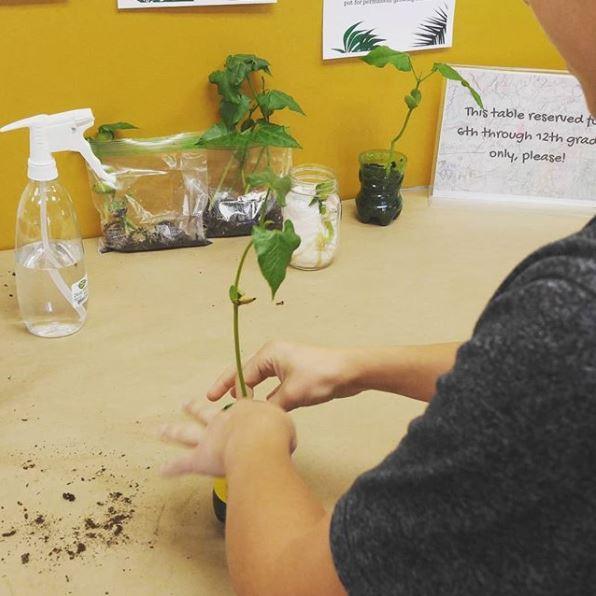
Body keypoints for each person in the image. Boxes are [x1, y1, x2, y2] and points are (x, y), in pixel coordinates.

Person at [160, 1, 596, 594]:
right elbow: (548, 374)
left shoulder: (571, 310)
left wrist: (252, 442)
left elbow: (296, 584)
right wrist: (359, 366)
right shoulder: (567, 327)